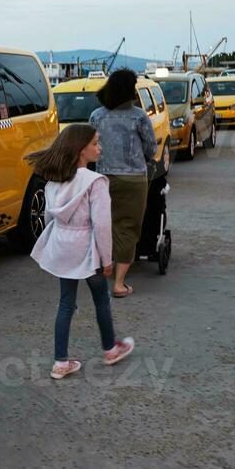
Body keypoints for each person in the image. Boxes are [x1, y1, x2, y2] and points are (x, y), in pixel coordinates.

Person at [27, 123, 136, 379]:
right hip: (89, 250)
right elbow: (101, 224)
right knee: (101, 298)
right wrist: (107, 259)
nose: (100, 147)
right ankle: (110, 348)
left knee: (66, 303)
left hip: (64, 246)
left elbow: (48, 216)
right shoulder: (95, 182)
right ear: (80, 150)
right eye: (95, 143)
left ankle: (60, 361)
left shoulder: (55, 180)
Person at [88, 69, 155, 299]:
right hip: (133, 179)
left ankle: (98, 274)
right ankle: (118, 283)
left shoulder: (97, 116)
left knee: (102, 225)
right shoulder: (139, 116)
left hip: (102, 178)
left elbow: (89, 147)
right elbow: (151, 149)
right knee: (128, 227)